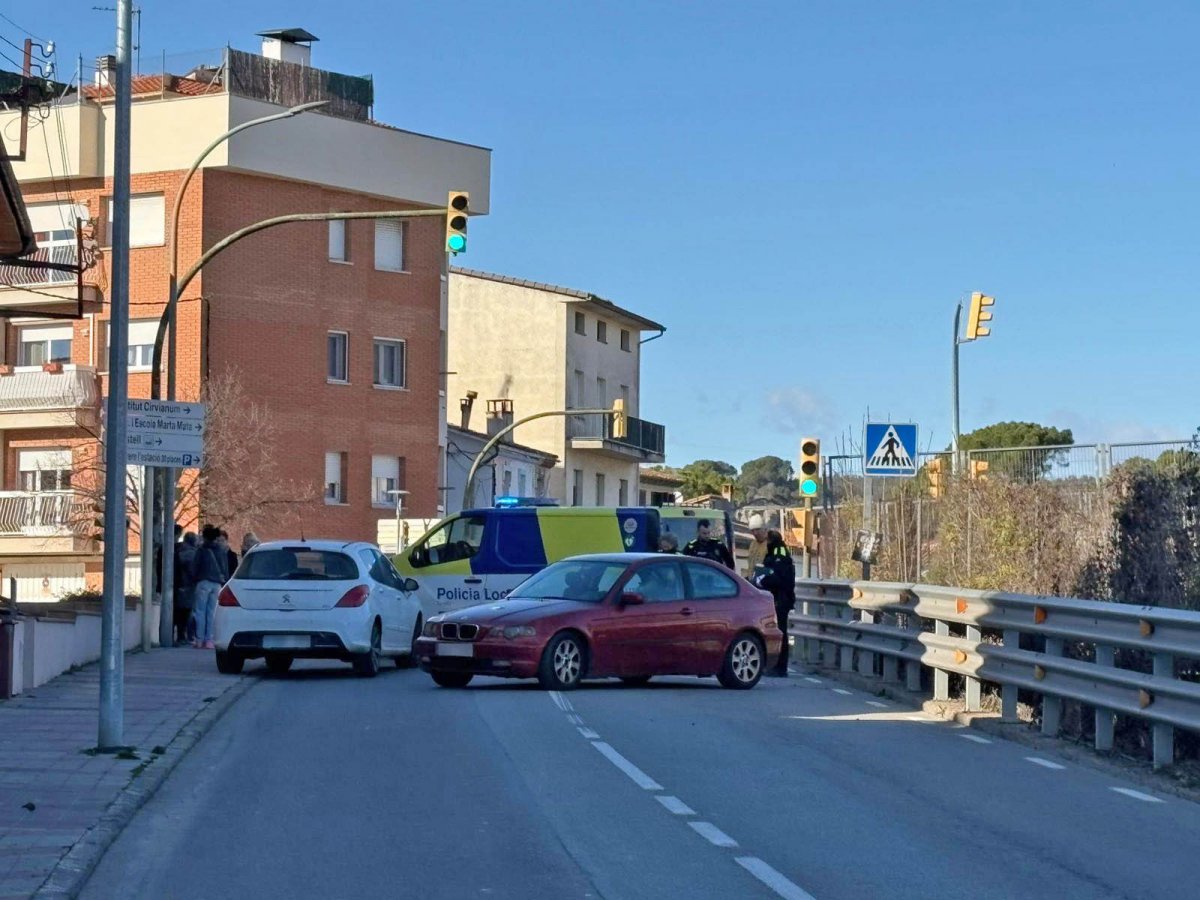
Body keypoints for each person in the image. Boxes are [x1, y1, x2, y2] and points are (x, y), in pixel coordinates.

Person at [753, 528, 796, 677]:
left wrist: (761, 580)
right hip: (777, 598)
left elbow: (777, 577)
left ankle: (780, 667)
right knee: (777, 631)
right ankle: (775, 665)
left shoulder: (779, 554)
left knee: (780, 631)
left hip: (780, 598)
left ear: (770, 540)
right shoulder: (775, 552)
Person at [190, 525, 228, 649]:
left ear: (205, 537)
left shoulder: (201, 550)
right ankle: (209, 640)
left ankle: (199, 640)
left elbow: (194, 567)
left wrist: (193, 579)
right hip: (217, 583)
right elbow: (224, 568)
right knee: (212, 612)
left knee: (200, 611)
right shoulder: (221, 550)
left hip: (203, 582)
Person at [174, 530, 198, 647]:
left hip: (180, 585)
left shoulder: (179, 551)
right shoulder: (192, 554)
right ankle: (187, 636)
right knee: (187, 612)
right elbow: (192, 571)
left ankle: (181, 635)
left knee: (181, 612)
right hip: (189, 586)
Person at [744, 514, 769, 579]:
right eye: (752, 530)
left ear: (764, 529)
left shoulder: (771, 544)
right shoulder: (753, 544)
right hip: (752, 583)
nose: (755, 533)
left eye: (758, 529)